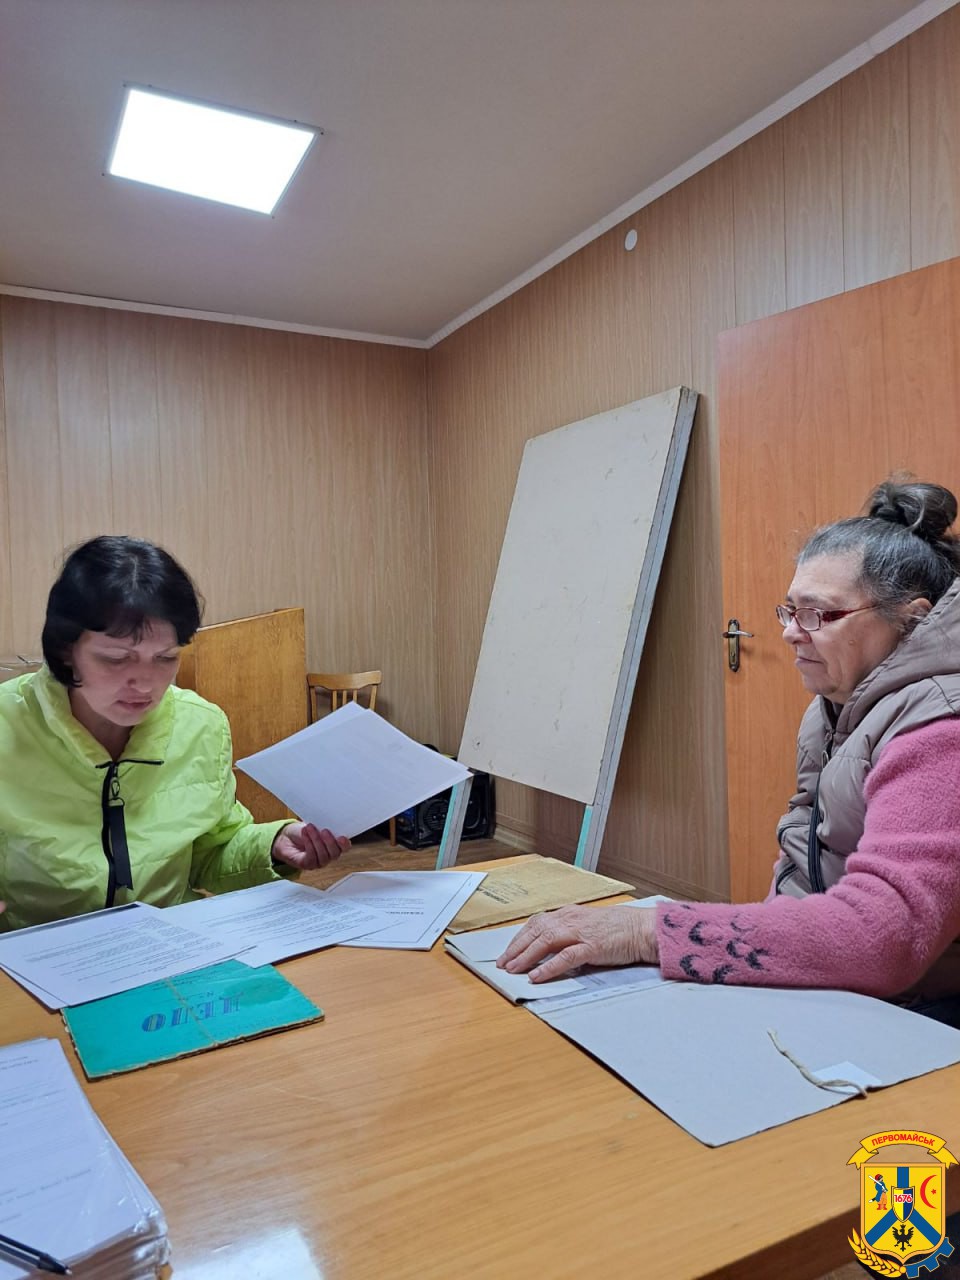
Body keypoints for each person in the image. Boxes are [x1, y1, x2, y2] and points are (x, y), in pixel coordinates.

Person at [499, 478, 960, 1020]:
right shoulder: (833, 708)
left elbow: (885, 936)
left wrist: (650, 931)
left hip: (922, 1012)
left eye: (818, 615)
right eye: (789, 611)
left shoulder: (940, 727)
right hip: (846, 990)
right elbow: (803, 864)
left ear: (911, 619)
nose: (791, 633)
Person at [0, 535, 350, 932]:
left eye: (165, 658)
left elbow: (209, 853)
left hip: (169, 945)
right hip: (34, 953)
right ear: (66, 649)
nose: (145, 683)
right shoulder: (8, 724)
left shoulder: (200, 725)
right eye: (116, 658)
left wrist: (273, 845)